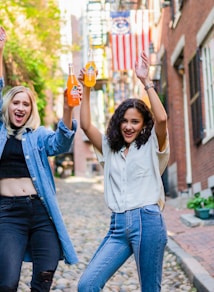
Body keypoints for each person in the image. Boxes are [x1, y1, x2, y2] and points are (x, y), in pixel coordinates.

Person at [77, 51, 170, 292]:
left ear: (142, 125)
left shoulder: (152, 144)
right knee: (87, 285)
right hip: (118, 226)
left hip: (147, 221)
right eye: (125, 121)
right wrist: (86, 88)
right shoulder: (110, 148)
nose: (129, 126)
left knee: (150, 289)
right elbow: (86, 126)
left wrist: (146, 81)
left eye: (135, 121)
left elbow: (161, 119)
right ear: (118, 122)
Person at [0, 27, 78, 292]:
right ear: (8, 106)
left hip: (41, 212)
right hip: (8, 215)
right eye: (16, 102)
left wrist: (68, 108)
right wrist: (0, 50)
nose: (21, 107)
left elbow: (62, 142)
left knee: (44, 278)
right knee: (7, 283)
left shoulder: (38, 135)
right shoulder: (0, 133)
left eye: (26, 104)